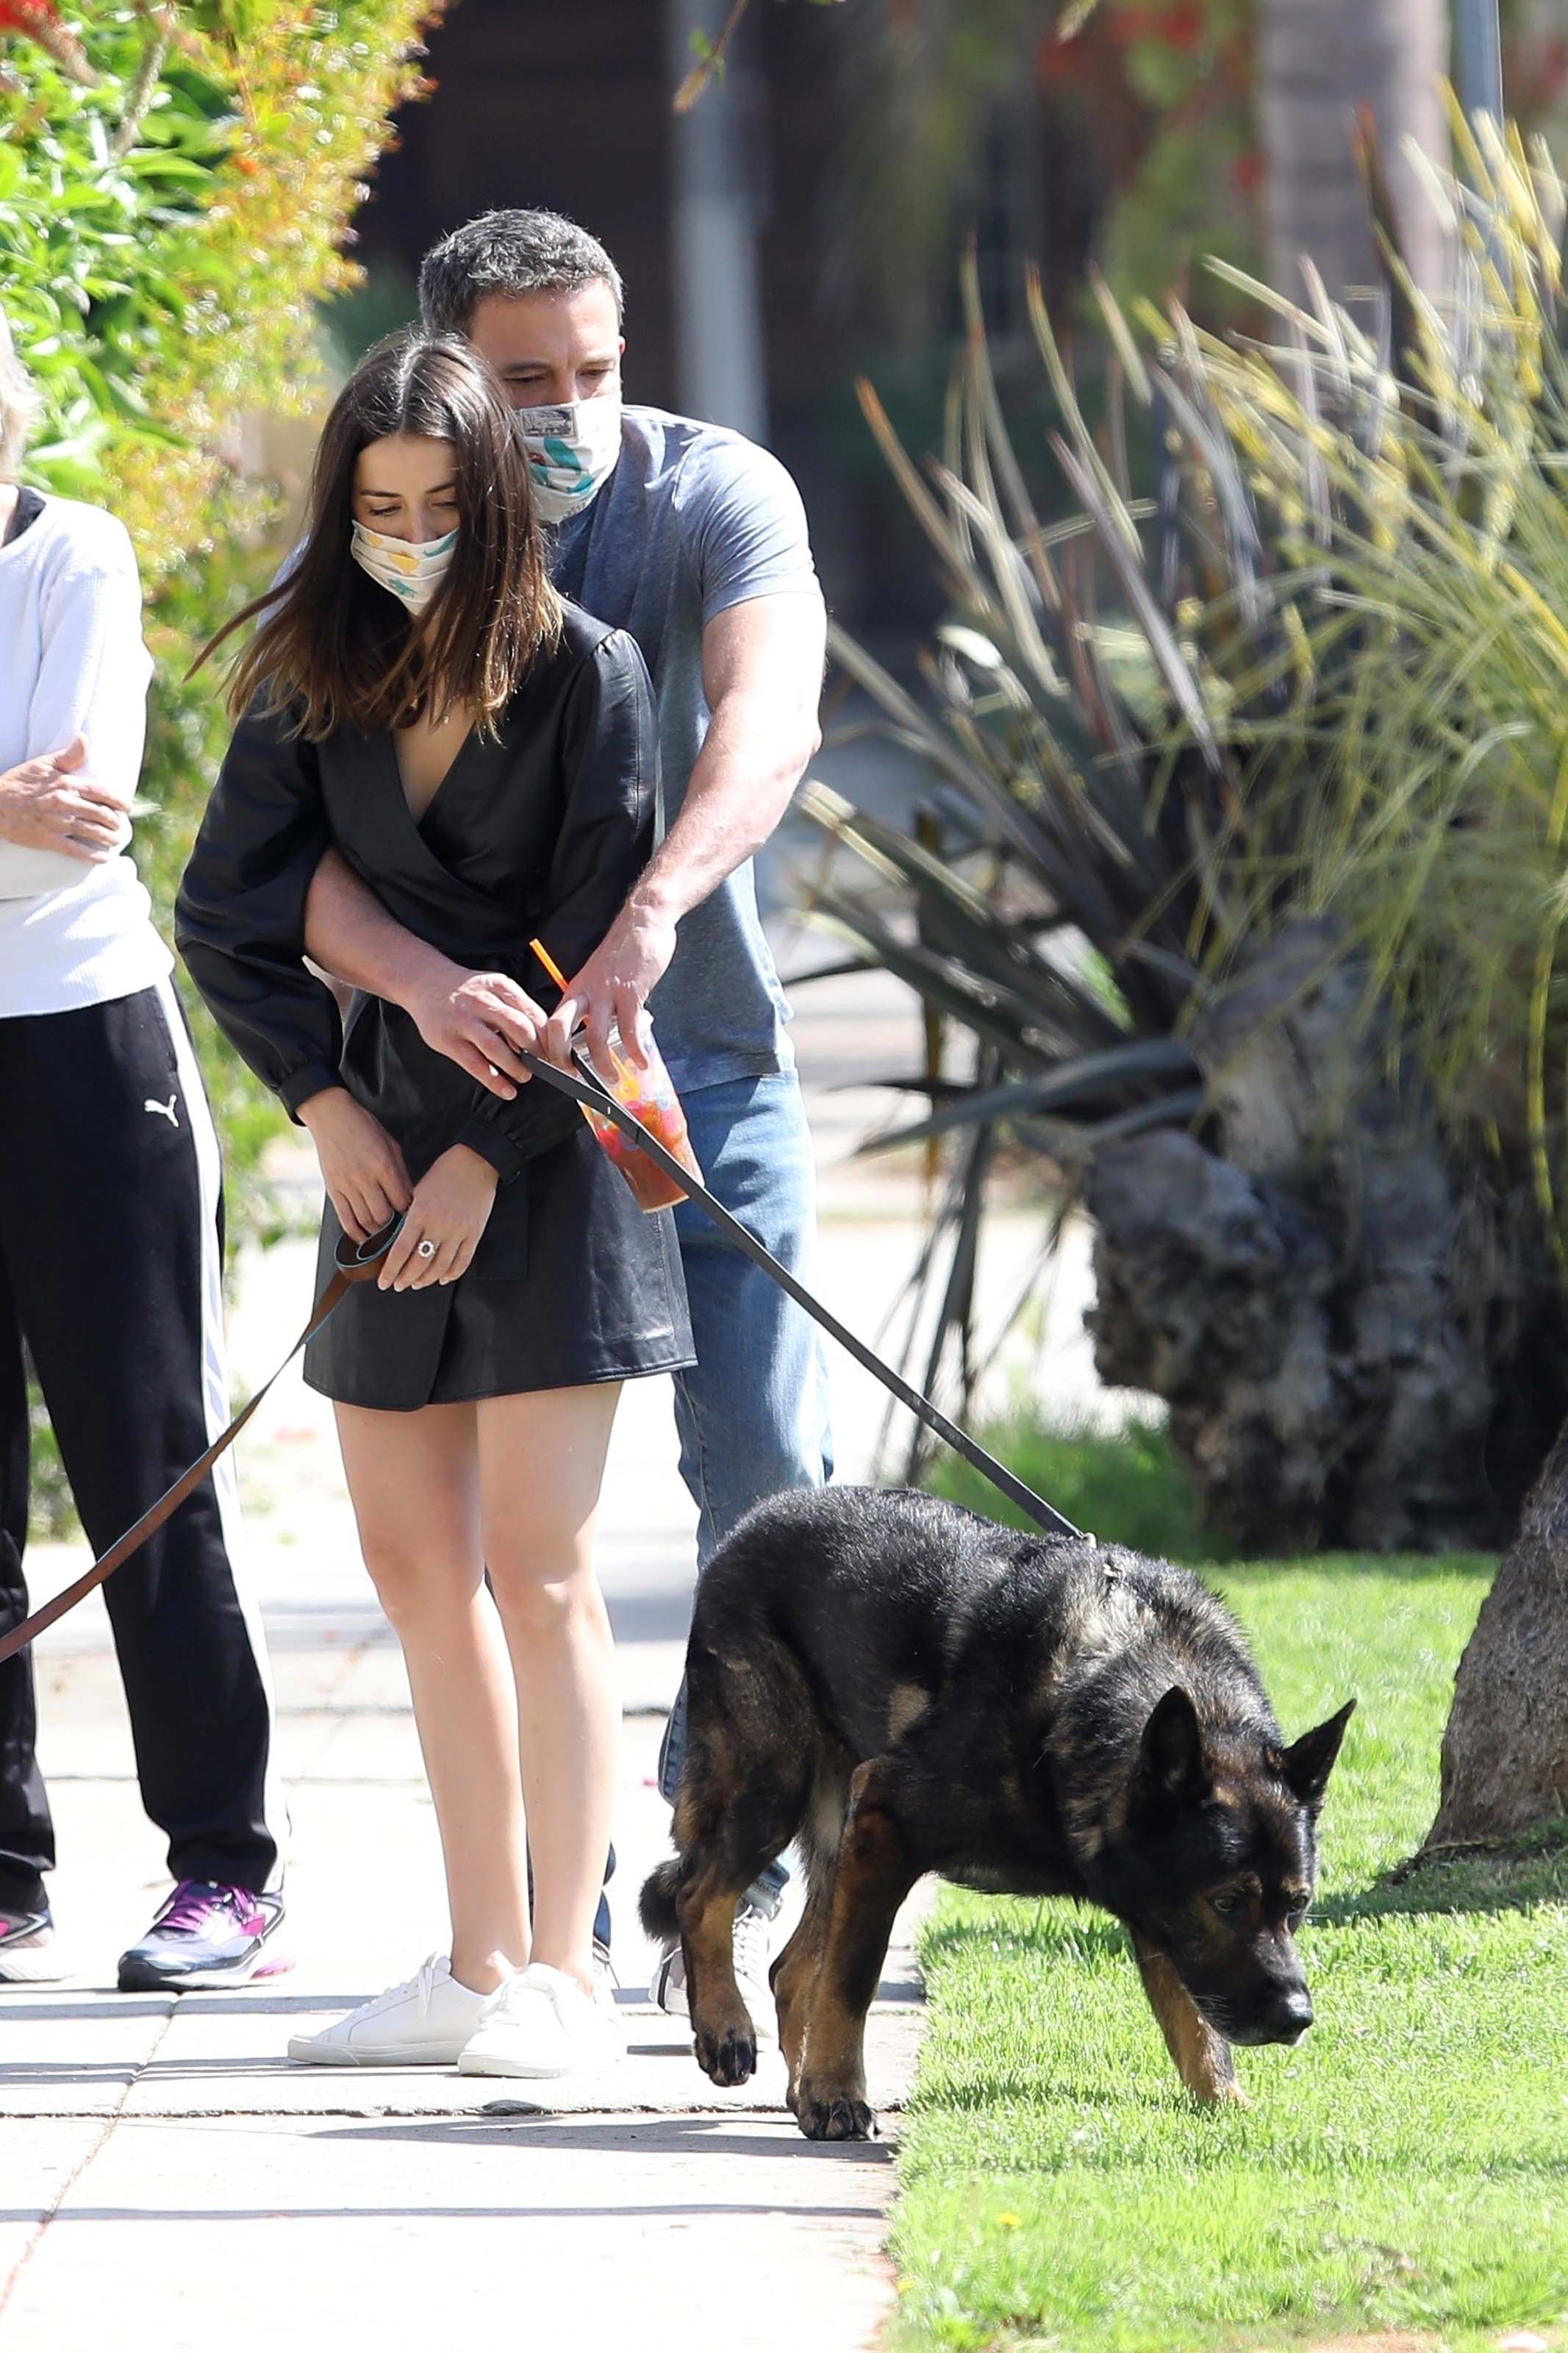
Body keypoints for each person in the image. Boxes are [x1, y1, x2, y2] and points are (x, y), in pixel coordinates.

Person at [295, 211, 832, 2026]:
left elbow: (768, 718)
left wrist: (657, 910)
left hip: (701, 1074)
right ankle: (553, 1932)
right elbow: (274, 855)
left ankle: (745, 1858)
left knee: (762, 1474)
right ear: (450, 371)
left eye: (594, 369)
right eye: (527, 381)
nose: (571, 409)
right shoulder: (397, 525)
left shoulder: (711, 496)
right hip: (488, 1110)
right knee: (526, 1551)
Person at [177, 332, 694, 2076]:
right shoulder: (308, 679)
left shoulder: (592, 675)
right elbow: (229, 913)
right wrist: (325, 1105)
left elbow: (595, 943)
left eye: (440, 506)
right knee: (414, 1568)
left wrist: (495, 1153)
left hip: (543, 1168)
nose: (406, 535)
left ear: (499, 509)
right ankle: (471, 1961)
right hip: (377, 1164)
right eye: (376, 506)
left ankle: (567, 1971)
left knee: (538, 1567)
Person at [0, 313, 288, 1991]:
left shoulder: (76, 556)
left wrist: (28, 822)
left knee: (145, 1461)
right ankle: (5, 1862)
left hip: (84, 1050)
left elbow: (78, 827)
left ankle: (223, 1865)